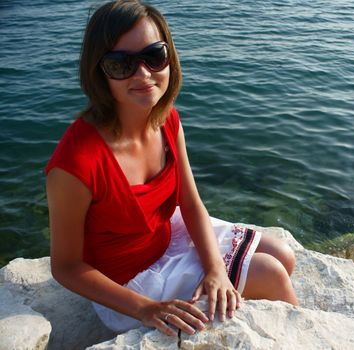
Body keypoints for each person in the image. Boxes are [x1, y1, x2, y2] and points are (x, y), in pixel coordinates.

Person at [45, 0, 297, 336]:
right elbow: (66, 267)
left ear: (170, 57)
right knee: (272, 273)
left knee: (285, 255)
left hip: (166, 235)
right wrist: (146, 309)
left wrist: (215, 270)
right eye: (121, 64)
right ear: (98, 71)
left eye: (154, 56)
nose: (143, 74)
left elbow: (189, 203)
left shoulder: (166, 120)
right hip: (130, 283)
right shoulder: (76, 163)